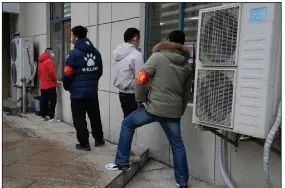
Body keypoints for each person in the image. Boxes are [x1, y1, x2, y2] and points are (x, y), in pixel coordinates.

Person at [105, 30, 192, 188]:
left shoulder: (157, 57)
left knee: (127, 124)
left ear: (167, 40)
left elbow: (140, 79)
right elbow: (187, 93)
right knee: (177, 145)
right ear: (183, 45)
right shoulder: (186, 65)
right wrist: (179, 110)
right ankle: (183, 182)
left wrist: (140, 99)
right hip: (173, 111)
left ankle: (122, 162)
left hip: (153, 108)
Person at [63, 25, 105, 151]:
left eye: (71, 35)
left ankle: (84, 143)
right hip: (92, 92)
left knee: (79, 118)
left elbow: (67, 74)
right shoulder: (96, 52)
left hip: (77, 94)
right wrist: (92, 83)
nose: (71, 38)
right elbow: (99, 71)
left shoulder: (73, 54)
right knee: (95, 116)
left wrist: (67, 87)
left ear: (75, 37)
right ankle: (99, 139)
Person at [113, 28, 144, 118]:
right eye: (139, 38)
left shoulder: (117, 52)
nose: (139, 40)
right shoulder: (136, 54)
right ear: (135, 38)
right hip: (132, 93)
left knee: (127, 119)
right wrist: (141, 96)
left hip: (121, 92)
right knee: (130, 122)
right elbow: (140, 76)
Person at [38, 48, 60, 122]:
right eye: (52, 52)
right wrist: (55, 81)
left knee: (44, 100)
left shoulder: (41, 62)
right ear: (48, 53)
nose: (53, 54)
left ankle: (44, 115)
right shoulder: (49, 61)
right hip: (50, 85)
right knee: (52, 101)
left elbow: (39, 73)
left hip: (43, 85)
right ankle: (51, 117)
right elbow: (52, 73)